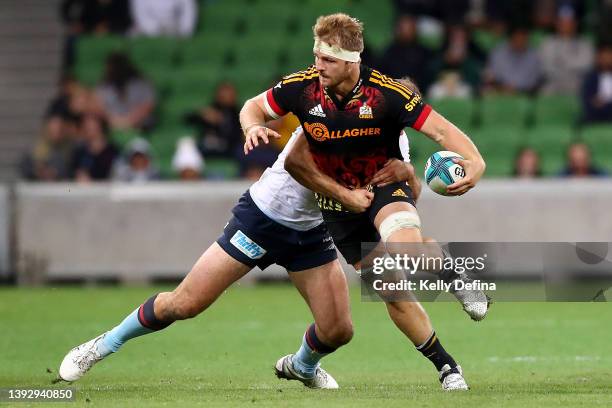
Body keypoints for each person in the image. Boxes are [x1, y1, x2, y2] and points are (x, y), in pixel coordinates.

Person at [57, 128, 417, 389]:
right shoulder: (329, 119)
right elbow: (299, 165)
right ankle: (103, 344)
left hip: (310, 231)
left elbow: (403, 193)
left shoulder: (391, 138)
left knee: (339, 330)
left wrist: (408, 175)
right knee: (184, 304)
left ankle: (301, 367)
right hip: (263, 219)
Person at [241, 13, 488, 391]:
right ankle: (447, 367)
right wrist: (253, 126)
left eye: (328, 60)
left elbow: (442, 131)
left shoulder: (390, 96)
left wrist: (476, 162)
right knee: (391, 290)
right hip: (339, 207)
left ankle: (457, 279)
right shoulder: (303, 89)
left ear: (352, 60)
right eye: (317, 57)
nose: (318, 66)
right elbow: (254, 109)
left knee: (404, 249)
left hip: (382, 186)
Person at [95, 52, 157, 131]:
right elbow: (99, 108)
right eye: (112, 67)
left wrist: (129, 121)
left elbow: (148, 105)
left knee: (149, 121)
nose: (115, 70)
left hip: (139, 123)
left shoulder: (142, 83)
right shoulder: (103, 86)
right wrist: (113, 121)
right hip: (112, 123)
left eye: (118, 67)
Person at [539, 6, 594, 95]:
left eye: (569, 22)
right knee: (544, 93)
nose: (565, 25)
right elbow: (546, 68)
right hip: (554, 83)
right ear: (556, 23)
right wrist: (571, 65)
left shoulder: (585, 43)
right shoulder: (548, 43)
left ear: (575, 24)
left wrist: (562, 62)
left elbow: (587, 66)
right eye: (562, 22)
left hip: (577, 84)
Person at [483, 26, 543, 94]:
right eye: (517, 39)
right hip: (500, 90)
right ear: (510, 39)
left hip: (526, 93)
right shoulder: (498, 53)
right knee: (487, 91)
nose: (520, 42)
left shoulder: (534, 55)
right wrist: (502, 87)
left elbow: (536, 80)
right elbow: (490, 77)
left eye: (523, 39)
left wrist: (519, 90)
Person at [71, 114, 119, 182]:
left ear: (100, 125)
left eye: (91, 124)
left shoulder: (112, 151)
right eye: (85, 124)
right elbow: (73, 173)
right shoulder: (79, 152)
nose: (87, 127)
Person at [580, 43, 612, 124]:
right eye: (603, 57)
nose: (606, 60)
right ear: (597, 58)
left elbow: (598, 102)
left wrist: (604, 104)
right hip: (595, 116)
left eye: (609, 57)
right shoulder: (590, 78)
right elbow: (588, 102)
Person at [129, 0, 197, 37]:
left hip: (176, 28)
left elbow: (189, 11)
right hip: (147, 29)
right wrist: (155, 32)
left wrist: (185, 31)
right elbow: (141, 15)